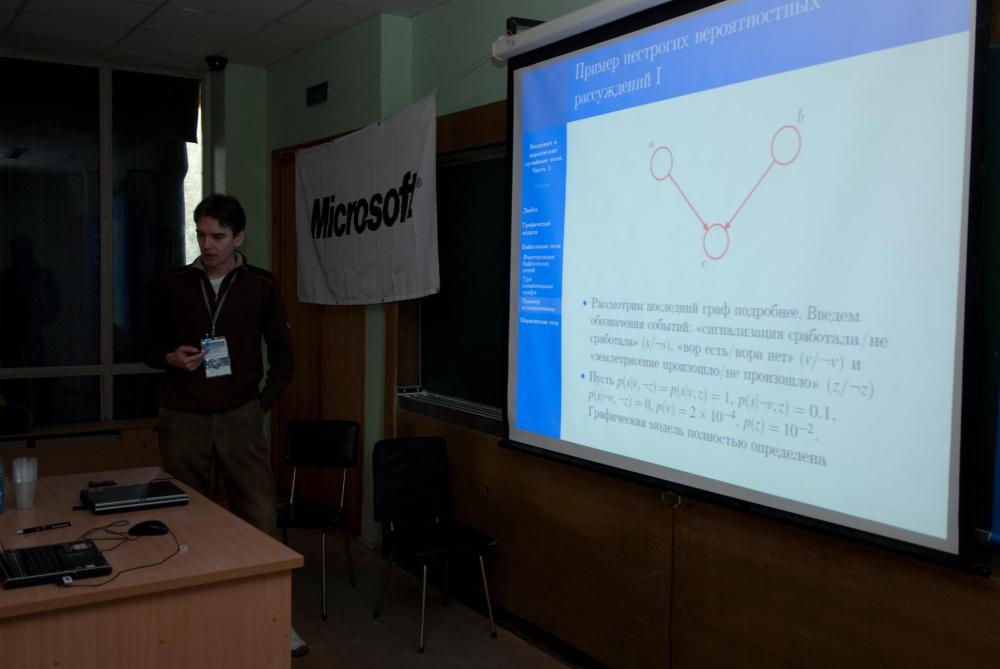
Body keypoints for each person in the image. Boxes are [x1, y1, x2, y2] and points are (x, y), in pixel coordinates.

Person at [141, 194, 306, 656]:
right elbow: (147, 347)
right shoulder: (172, 283)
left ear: (239, 238)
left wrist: (257, 407)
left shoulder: (261, 284)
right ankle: (194, 615)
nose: (208, 244)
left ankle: (275, 618)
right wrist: (170, 358)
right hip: (182, 419)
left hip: (239, 417)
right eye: (201, 235)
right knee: (186, 518)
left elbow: (284, 360)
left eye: (218, 236)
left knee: (259, 515)